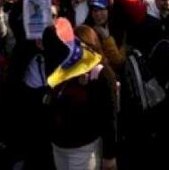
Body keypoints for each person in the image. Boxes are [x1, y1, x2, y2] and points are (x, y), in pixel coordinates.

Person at [42, 18, 118, 170]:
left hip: (84, 149)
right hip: (59, 146)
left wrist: (109, 157)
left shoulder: (101, 74)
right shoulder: (62, 69)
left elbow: (110, 118)